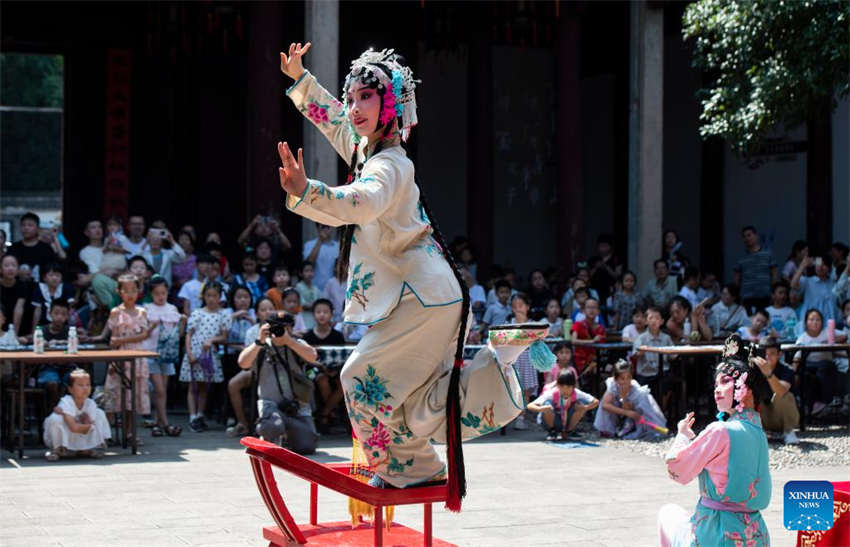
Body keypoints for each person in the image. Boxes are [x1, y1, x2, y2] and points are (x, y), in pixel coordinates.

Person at [278, 43, 545, 504]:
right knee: (409, 401)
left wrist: (308, 191)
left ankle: (412, 470)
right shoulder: (368, 149)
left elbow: (360, 202)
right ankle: (493, 366)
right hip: (427, 298)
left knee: (359, 381)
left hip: (422, 301)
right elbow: (332, 119)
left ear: (392, 106)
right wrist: (301, 79)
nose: (355, 107)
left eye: (367, 97)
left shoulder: (390, 166)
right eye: (353, 96)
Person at [658, 334, 772, 547]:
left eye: (726, 381)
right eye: (716, 384)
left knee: (667, 514)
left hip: (717, 533)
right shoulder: (759, 432)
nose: (717, 389)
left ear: (745, 390)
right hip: (756, 535)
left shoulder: (720, 430)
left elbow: (678, 470)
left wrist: (682, 436)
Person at [237, 311, 319, 454]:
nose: (280, 332)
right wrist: (259, 341)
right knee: (273, 426)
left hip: (296, 406)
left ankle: (289, 436)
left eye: (285, 328)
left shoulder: (297, 344)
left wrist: (289, 341)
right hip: (270, 405)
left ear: (291, 329)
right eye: (276, 327)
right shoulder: (261, 347)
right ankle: (271, 434)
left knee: (307, 446)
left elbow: (312, 357)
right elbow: (243, 363)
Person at [96, 274, 155, 444]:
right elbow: (113, 339)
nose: (130, 294)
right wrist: (112, 360)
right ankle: (107, 434)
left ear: (139, 291)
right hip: (119, 356)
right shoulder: (116, 312)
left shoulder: (142, 311)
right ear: (119, 292)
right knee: (114, 395)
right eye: (126, 290)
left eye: (133, 290)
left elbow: (143, 334)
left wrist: (122, 341)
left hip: (136, 356)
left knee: (132, 397)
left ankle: (130, 433)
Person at [180, 282, 231, 432]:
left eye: (214, 295)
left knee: (204, 386)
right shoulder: (197, 313)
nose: (211, 299)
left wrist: (212, 340)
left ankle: (200, 415)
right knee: (192, 385)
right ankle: (192, 415)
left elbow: (224, 336)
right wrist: (189, 352)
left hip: (208, 354)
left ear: (219, 297)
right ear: (203, 296)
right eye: (208, 295)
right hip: (195, 351)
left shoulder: (223, 314)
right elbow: (189, 334)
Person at [227, 297, 277, 438]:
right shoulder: (252, 331)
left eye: (270, 309)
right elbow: (247, 359)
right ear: (256, 313)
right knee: (233, 384)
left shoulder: (281, 330)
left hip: (277, 370)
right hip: (254, 369)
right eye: (263, 309)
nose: (267, 312)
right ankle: (242, 423)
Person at [142, 276, 184, 437]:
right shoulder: (146, 309)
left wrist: (182, 322)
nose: (161, 296)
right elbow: (143, 334)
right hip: (151, 352)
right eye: (157, 293)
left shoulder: (172, 309)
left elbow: (178, 334)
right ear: (151, 294)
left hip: (167, 353)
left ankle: (157, 424)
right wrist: (153, 325)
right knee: (159, 389)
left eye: (163, 293)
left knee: (162, 391)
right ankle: (166, 424)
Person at [42, 369, 111, 461]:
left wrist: (84, 424)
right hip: (72, 429)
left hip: (79, 429)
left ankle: (89, 447)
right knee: (56, 418)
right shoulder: (66, 402)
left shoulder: (90, 403)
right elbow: (74, 427)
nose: (85, 388)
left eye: (88, 385)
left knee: (100, 413)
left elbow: (89, 427)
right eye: (80, 385)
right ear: (70, 389)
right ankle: (58, 449)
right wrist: (84, 424)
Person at [302, 298, 347, 431]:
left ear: (331, 314)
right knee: (322, 379)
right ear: (313, 314)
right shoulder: (308, 336)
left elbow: (342, 356)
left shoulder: (337, 336)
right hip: (313, 369)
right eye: (318, 312)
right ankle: (330, 414)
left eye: (325, 312)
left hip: (335, 370)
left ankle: (325, 413)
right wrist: (321, 367)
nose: (322, 315)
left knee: (342, 384)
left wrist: (333, 369)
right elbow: (306, 359)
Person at [594, 359, 666, 439]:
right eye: (622, 378)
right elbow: (605, 405)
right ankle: (608, 429)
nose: (626, 381)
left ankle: (637, 430)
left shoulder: (635, 389)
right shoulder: (613, 385)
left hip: (633, 415)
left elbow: (631, 408)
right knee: (605, 406)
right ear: (616, 379)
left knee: (642, 404)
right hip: (622, 412)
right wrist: (627, 412)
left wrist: (624, 398)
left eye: (628, 378)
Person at [792, 308, 839, 417]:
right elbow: (796, 359)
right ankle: (812, 406)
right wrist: (793, 376)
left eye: (818, 319)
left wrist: (830, 341)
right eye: (811, 319)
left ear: (822, 322)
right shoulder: (802, 339)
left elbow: (844, 336)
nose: (815, 322)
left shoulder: (827, 333)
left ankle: (824, 402)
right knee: (807, 376)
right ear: (806, 322)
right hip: (809, 366)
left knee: (826, 366)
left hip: (826, 366)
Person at [527, 369, 598, 441]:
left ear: (573, 386)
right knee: (547, 404)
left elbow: (595, 402)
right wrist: (542, 409)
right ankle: (552, 431)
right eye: (562, 387)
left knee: (580, 405)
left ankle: (569, 431)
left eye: (568, 387)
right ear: (557, 385)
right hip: (552, 421)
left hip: (566, 421)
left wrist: (585, 408)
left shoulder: (576, 393)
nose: (565, 390)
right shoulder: (552, 393)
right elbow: (529, 405)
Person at [754, 336, 799, 444]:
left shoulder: (787, 370)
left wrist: (768, 374)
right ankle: (757, 432)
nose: (767, 357)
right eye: (764, 353)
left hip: (781, 418)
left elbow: (781, 391)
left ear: (779, 355)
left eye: (772, 353)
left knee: (784, 395)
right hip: (761, 418)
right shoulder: (752, 370)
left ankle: (789, 432)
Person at [34, 299, 73, 408]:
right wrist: (45, 343)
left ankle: (70, 410)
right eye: (56, 313)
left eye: (63, 314)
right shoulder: (42, 330)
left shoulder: (70, 330)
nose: (60, 317)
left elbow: (75, 342)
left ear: (67, 316)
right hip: (48, 366)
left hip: (67, 366)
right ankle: (55, 408)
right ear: (50, 314)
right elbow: (38, 342)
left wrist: (59, 342)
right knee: (52, 383)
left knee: (76, 380)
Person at [509, 293, 538, 431]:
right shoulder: (509, 323)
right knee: (513, 388)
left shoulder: (533, 324)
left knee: (526, 390)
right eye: (514, 306)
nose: (518, 309)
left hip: (527, 357)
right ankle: (512, 415)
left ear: (527, 307)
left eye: (520, 305)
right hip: (513, 358)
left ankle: (521, 417)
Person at [734, 225, 778, 313]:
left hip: (765, 296)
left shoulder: (768, 254)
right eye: (744, 236)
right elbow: (736, 280)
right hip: (747, 298)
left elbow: (774, 275)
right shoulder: (741, 258)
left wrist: (773, 293)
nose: (746, 238)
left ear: (756, 236)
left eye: (749, 235)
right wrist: (737, 296)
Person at [632, 307, 673, 397]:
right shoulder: (641, 338)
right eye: (651, 318)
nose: (654, 321)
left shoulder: (666, 338)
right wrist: (640, 352)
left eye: (657, 318)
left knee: (668, 384)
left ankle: (662, 409)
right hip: (646, 373)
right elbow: (635, 355)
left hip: (663, 372)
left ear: (662, 321)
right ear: (646, 321)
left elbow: (673, 355)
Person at [791, 254, 841, 325]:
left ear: (829, 268)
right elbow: (793, 284)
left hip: (828, 324)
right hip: (811, 324)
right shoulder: (808, 281)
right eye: (818, 264)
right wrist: (802, 266)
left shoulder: (833, 283)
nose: (820, 267)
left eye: (824, 265)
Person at [571, 297, 606, 383]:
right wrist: (592, 341)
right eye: (589, 307)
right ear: (584, 310)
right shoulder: (578, 324)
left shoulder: (601, 329)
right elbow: (573, 341)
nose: (591, 310)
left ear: (598, 311)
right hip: (580, 361)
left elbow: (603, 349)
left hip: (595, 361)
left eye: (594, 307)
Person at [31, 263, 75, 328]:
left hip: (63, 325)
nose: (54, 278)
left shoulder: (66, 288)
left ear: (61, 278)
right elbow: (37, 311)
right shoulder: (39, 289)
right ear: (44, 278)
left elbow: (70, 309)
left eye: (57, 275)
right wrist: (34, 330)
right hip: (43, 325)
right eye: (51, 275)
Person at [302, 222, 339, 292]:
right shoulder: (309, 245)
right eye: (323, 226)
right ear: (317, 228)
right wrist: (320, 240)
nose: (326, 229)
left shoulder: (338, 246)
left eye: (328, 226)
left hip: (333, 289)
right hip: (314, 288)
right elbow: (309, 263)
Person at [0, 254, 30, 337]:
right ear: (1, 269)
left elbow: (18, 309)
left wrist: (14, 335)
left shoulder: (22, 286)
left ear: (18, 269)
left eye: (13, 265)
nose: (10, 268)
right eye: (6, 265)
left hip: (17, 324)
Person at [295, 261, 321, 330]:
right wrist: (316, 305)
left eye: (311, 271)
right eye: (306, 271)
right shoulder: (298, 287)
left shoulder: (316, 288)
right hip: (304, 317)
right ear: (301, 273)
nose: (309, 273)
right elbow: (303, 305)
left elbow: (321, 303)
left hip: (315, 318)